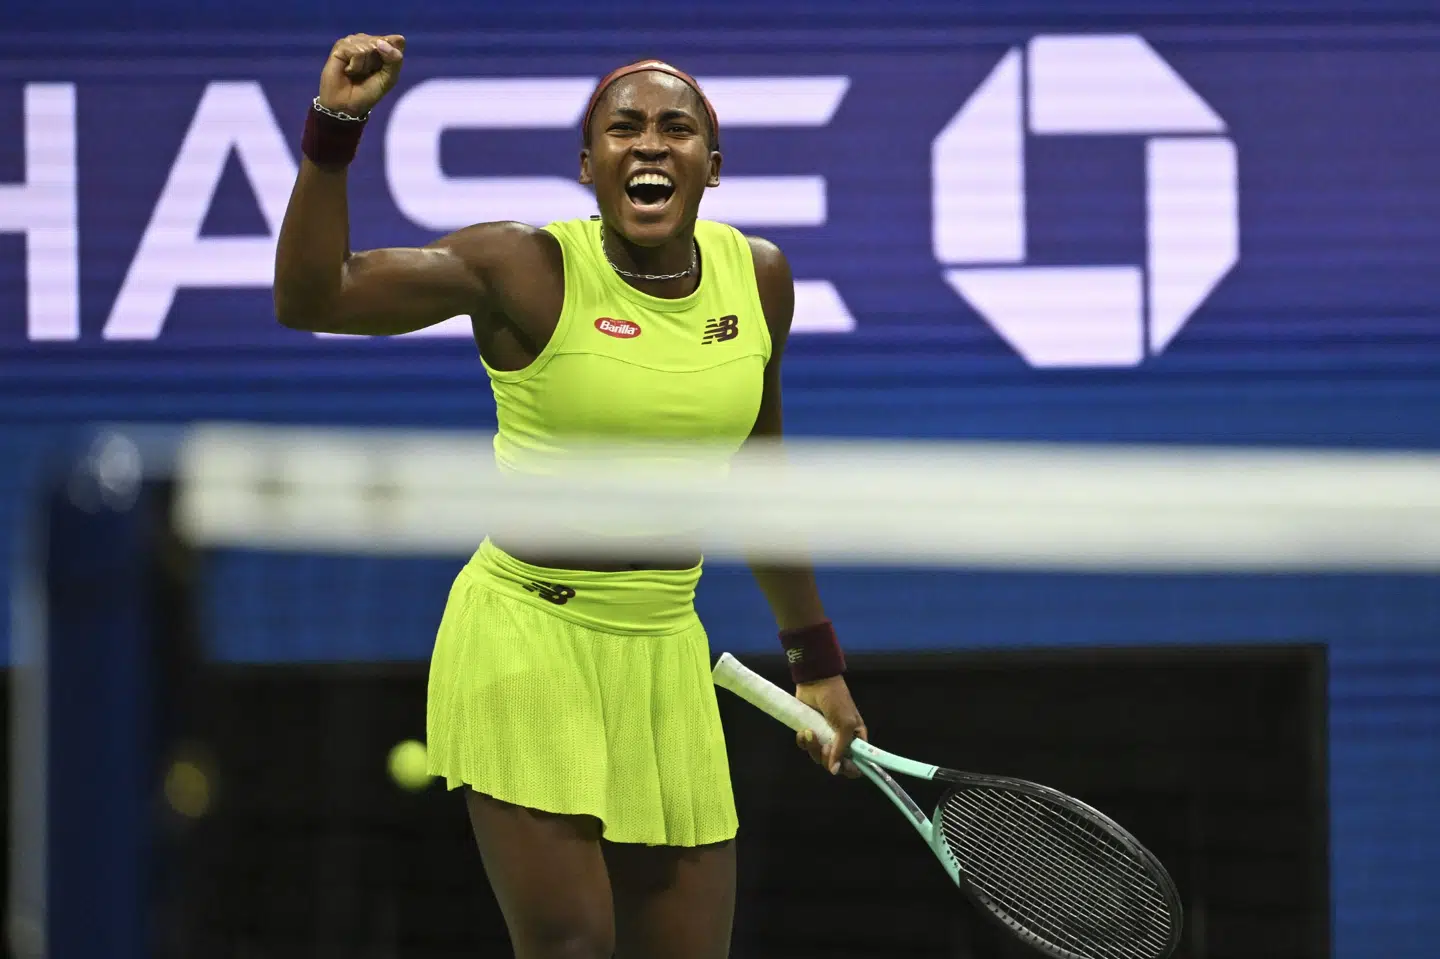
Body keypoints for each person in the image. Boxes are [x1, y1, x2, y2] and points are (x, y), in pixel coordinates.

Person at [273, 33, 867, 959]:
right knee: (573, 945)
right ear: (588, 166)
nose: (649, 143)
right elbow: (314, 298)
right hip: (527, 640)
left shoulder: (759, 279)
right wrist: (333, 131)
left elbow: (760, 478)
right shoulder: (522, 267)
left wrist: (817, 663)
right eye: (623, 128)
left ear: (712, 166)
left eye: (675, 128)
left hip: (667, 649)